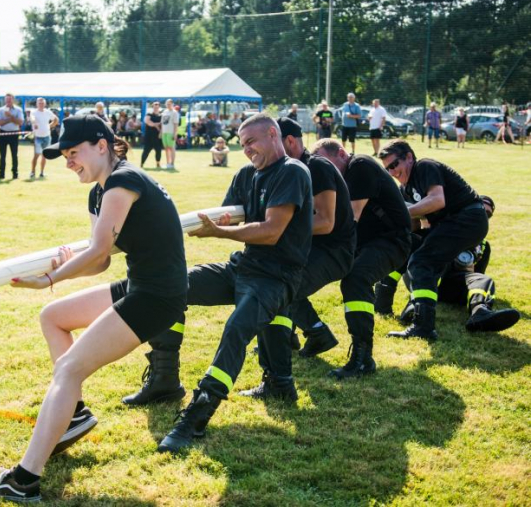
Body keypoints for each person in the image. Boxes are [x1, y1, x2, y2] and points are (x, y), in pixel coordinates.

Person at [0, 115, 187, 502]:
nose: (69, 162)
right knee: (53, 317)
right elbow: (100, 259)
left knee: (69, 368)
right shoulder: (99, 192)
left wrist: (51, 279)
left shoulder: (124, 180)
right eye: (65, 156)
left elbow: (100, 251)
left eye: (73, 153)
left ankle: (24, 479)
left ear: (101, 146)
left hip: (159, 295)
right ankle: (74, 415)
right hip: (140, 285)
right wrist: (72, 260)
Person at [154, 114, 313, 453]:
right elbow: (230, 213)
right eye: (242, 145)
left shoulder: (293, 172)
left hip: (276, 277)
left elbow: (270, 231)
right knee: (171, 285)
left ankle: (197, 415)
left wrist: (218, 230)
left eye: (251, 142)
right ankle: (162, 378)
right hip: (242, 267)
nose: (246, 151)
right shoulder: (246, 175)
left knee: (236, 329)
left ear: (273, 134)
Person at [241, 118, 354, 396]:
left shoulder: (317, 167)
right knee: (274, 282)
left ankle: (280, 372)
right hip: (307, 249)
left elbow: (326, 222)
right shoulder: (279, 173)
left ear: (285, 140)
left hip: (333, 251)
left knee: (275, 291)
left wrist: (277, 227)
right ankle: (310, 334)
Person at [311, 138, 411, 378]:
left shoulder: (361, 165)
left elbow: (349, 218)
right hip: (365, 243)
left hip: (391, 241)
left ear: (342, 154)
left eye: (328, 163)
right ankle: (306, 333)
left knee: (356, 279)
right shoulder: (340, 176)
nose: (325, 170)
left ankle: (363, 358)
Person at [379, 139, 488, 341]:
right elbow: (416, 225)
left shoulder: (425, 167)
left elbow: (437, 200)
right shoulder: (405, 190)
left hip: (468, 219)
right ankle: (402, 304)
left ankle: (423, 326)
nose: (392, 173)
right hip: (451, 225)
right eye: (387, 170)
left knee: (421, 261)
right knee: (413, 252)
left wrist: (402, 212)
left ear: (409, 157)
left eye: (394, 165)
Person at [376, 196, 520, 333]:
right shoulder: (444, 228)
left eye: (488, 214)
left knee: (484, 280)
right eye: (482, 209)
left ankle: (480, 311)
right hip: (424, 276)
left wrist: (468, 270)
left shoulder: (482, 246)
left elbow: (477, 273)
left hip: (451, 283)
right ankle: (414, 306)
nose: (484, 215)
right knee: (430, 261)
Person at [0, 93, 24, 180]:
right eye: (6, 99)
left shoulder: (18, 110)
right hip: (3, 134)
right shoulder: (1, 110)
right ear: (5, 100)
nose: (8, 101)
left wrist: (11, 116)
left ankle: (15, 174)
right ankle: (1, 174)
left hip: (14, 134)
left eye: (10, 99)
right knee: (2, 155)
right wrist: (10, 119)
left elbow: (20, 122)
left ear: (13, 100)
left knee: (14, 155)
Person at [29, 97, 58, 179]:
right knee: (36, 155)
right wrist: (34, 123)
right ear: (37, 104)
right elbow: (32, 118)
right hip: (38, 137)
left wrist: (50, 126)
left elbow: (56, 120)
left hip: (47, 137)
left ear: (44, 104)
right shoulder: (34, 112)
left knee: (44, 156)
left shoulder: (48, 112)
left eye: (42, 103)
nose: (41, 104)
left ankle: (42, 172)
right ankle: (32, 172)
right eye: (39, 103)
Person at [141, 101, 162, 168]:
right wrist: (156, 125)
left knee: (158, 150)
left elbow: (163, 125)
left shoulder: (161, 115)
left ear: (159, 107)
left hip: (157, 136)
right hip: (149, 136)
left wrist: (160, 131)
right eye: (154, 105)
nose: (156, 107)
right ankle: (142, 164)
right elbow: (147, 122)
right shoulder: (149, 114)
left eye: (157, 105)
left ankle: (158, 163)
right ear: (152, 107)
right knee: (146, 150)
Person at [161, 99, 180, 170]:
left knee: (172, 148)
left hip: (171, 132)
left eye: (169, 104)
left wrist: (175, 134)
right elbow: (162, 123)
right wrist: (161, 132)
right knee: (166, 148)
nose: (168, 105)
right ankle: (168, 163)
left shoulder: (175, 113)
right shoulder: (164, 112)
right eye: (167, 104)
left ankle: (172, 163)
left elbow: (176, 124)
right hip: (164, 132)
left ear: (172, 104)